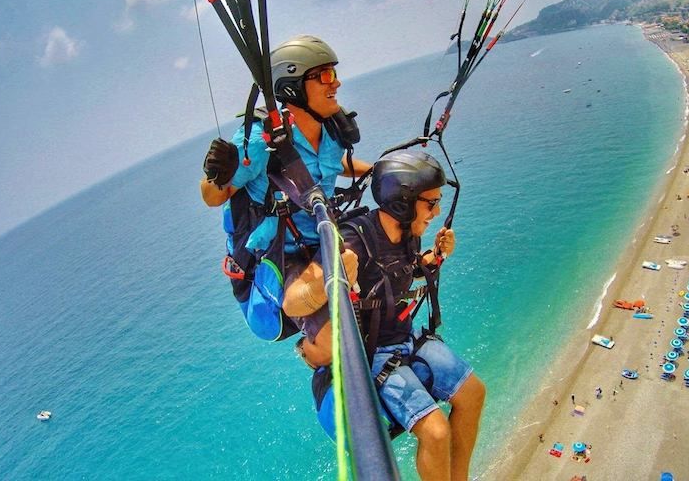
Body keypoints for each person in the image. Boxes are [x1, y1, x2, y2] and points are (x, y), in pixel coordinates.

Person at [284, 151, 486, 481]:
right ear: (403, 203)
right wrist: (330, 276)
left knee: (474, 393)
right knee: (435, 433)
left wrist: (433, 257)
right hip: (373, 353)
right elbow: (292, 303)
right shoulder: (352, 240)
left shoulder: (408, 234)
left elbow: (395, 274)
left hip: (404, 338)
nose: (436, 212)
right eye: (430, 203)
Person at [199, 34, 370, 365]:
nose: (336, 83)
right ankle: (311, 352)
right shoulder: (262, 139)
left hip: (322, 237)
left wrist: (375, 169)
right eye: (324, 76)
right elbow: (214, 196)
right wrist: (216, 173)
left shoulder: (331, 129)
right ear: (293, 86)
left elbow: (331, 168)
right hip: (284, 256)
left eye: (334, 73)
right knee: (328, 331)